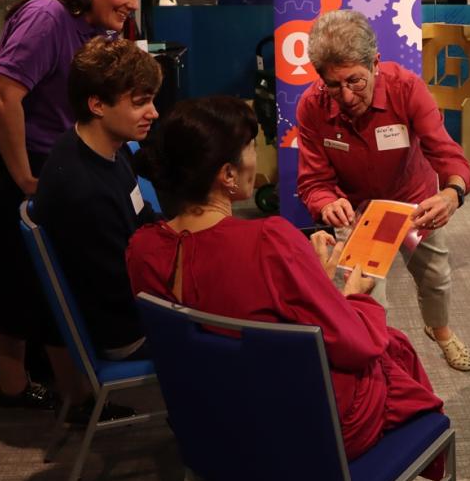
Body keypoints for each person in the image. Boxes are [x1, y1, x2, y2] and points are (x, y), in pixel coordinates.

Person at [125, 96, 444, 460]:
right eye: (250, 147)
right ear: (227, 175)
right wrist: (352, 295)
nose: (256, 157)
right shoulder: (269, 241)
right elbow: (355, 345)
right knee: (391, 346)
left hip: (211, 423)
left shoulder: (142, 247)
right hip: (296, 429)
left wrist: (314, 278)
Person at [0, 0, 148, 410]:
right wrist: (25, 177)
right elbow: (4, 95)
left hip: (51, 153)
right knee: (10, 274)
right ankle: (15, 388)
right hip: (8, 152)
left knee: (51, 274)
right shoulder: (47, 15)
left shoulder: (102, 28)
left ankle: (74, 395)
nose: (132, 4)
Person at [296, 10, 470, 371]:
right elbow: (313, 181)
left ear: (375, 63)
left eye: (355, 81)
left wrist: (452, 193)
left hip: (414, 206)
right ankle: (381, 363)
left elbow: (446, 153)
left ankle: (439, 330)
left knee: (436, 277)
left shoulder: (406, 89)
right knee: (365, 296)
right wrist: (327, 203)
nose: (347, 96)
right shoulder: (312, 107)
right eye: (334, 85)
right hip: (356, 213)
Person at [33, 37, 162, 367]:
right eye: (140, 103)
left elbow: (141, 215)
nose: (154, 113)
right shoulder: (83, 190)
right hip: (127, 332)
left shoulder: (108, 147)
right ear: (97, 105)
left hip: (132, 303)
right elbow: (122, 288)